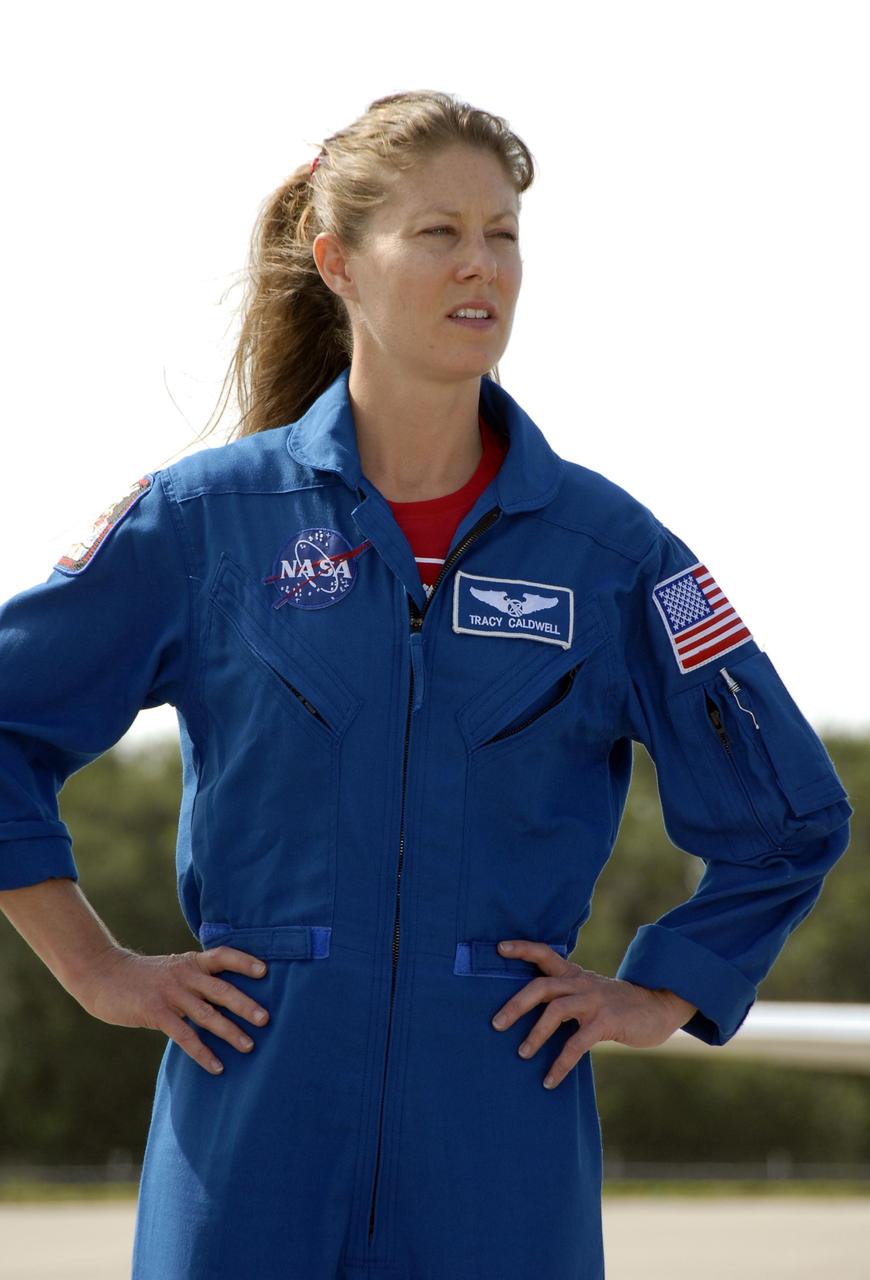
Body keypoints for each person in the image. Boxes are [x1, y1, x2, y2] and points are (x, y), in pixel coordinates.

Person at [0, 89, 853, 1280]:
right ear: (339, 260)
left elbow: (791, 816)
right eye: (439, 231)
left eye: (502, 232)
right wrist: (95, 967)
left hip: (502, 1127)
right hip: (251, 1112)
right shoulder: (205, 524)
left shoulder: (610, 555)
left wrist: (662, 987)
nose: (481, 265)